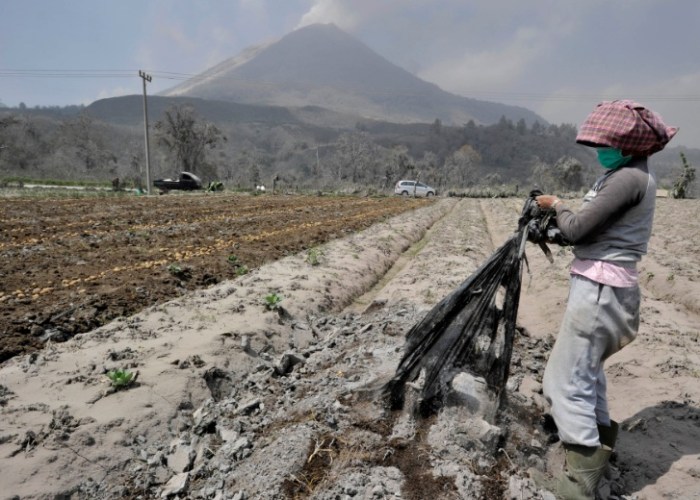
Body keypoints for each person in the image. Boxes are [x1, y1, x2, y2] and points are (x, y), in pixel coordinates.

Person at [535, 100, 678, 499]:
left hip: (600, 291)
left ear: (629, 145)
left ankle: (578, 486)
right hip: (609, 287)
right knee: (589, 374)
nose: (599, 151)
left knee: (564, 382)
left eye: (604, 144)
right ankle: (600, 455)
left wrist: (557, 206)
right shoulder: (629, 174)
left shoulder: (627, 179)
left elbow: (579, 229)